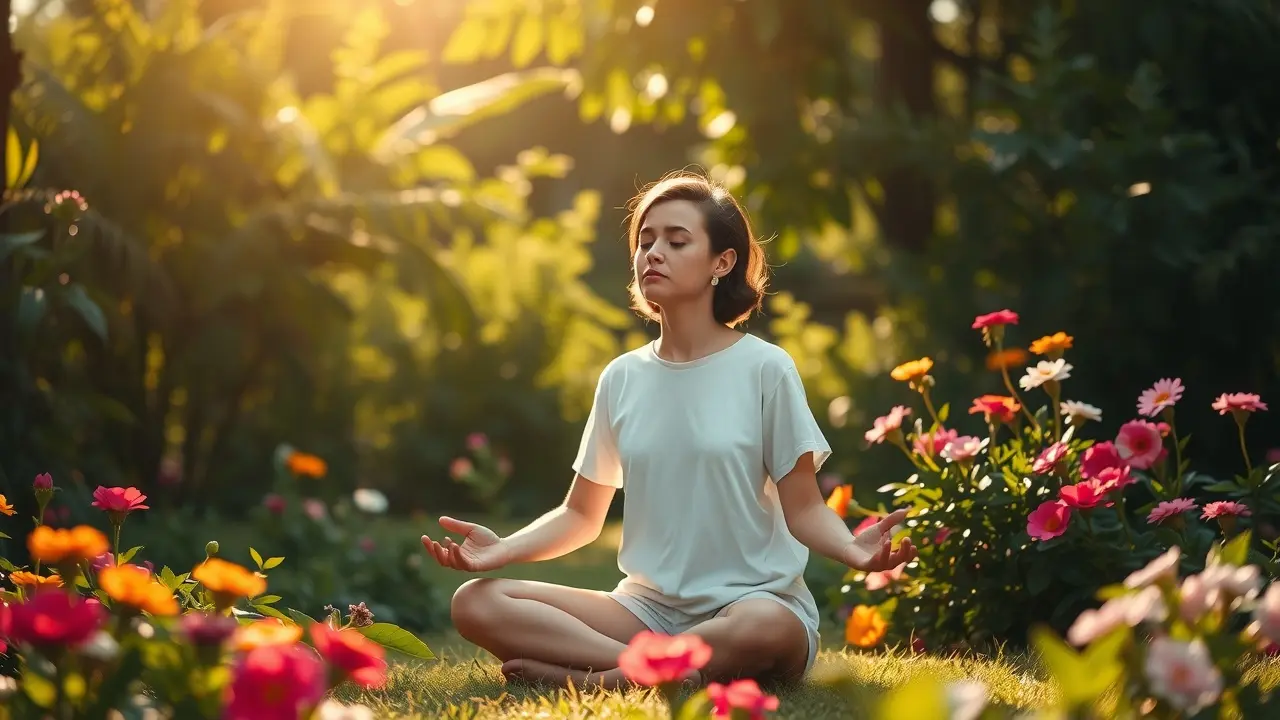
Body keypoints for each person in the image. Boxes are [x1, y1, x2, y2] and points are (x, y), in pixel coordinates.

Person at [421, 171, 917, 690]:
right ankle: (656, 671)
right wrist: (502, 550)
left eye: (677, 241)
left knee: (766, 627)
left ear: (722, 263)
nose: (653, 253)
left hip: (750, 606)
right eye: (646, 240)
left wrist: (855, 551)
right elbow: (581, 514)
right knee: (477, 602)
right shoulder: (622, 377)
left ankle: (606, 676)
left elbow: (805, 507)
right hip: (644, 610)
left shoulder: (766, 368)